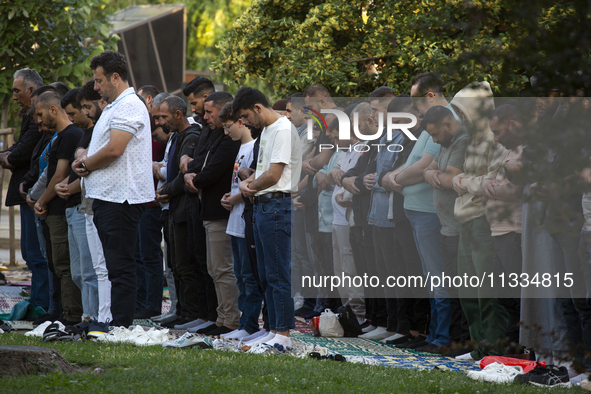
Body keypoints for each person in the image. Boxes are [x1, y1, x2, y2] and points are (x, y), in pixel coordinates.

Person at [73, 50, 153, 329]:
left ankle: (120, 325)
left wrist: (85, 165)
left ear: (115, 77)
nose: (95, 87)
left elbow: (115, 149)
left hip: (121, 198)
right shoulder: (116, 105)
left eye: (99, 81)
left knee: (120, 267)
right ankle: (115, 323)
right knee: (114, 266)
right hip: (109, 196)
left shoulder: (129, 105)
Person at [236, 87, 302, 347]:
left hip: (276, 206)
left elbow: (274, 175)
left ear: (257, 107)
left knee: (277, 274)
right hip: (263, 206)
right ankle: (273, 329)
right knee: (265, 274)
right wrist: (249, 183)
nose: (244, 123)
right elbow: (261, 172)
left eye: (245, 116)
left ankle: (282, 335)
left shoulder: (283, 129)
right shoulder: (267, 131)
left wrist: (249, 186)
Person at [449, 82, 508, 361]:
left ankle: (495, 348)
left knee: (487, 290)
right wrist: (465, 182)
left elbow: (491, 182)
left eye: (463, 112)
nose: (460, 118)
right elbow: (462, 179)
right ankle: (479, 347)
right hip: (464, 219)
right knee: (467, 288)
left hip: (483, 222)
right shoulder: (470, 138)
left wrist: (463, 182)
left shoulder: (495, 139)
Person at [183, 92, 241, 336]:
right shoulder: (214, 134)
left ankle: (231, 321)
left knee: (222, 268)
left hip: (220, 211)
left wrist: (194, 177)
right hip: (208, 210)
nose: (204, 117)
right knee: (214, 268)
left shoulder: (229, 139)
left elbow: (210, 171)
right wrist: (190, 173)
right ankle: (221, 317)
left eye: (209, 112)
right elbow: (197, 164)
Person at [33, 91, 84, 325]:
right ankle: (60, 312)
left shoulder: (70, 135)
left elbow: (59, 175)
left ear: (54, 110)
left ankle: (70, 316)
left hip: (60, 210)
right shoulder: (60, 136)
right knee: (56, 264)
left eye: (40, 114)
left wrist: (41, 201)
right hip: (53, 210)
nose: (38, 120)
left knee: (64, 266)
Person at [2, 68, 48, 312]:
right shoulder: (28, 117)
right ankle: (39, 302)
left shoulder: (38, 122)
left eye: (17, 90)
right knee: (31, 253)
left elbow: (21, 154)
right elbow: (19, 151)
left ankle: (42, 305)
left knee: (36, 253)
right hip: (28, 193)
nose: (15, 95)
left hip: (35, 194)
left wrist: (11, 157)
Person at [156, 96, 202, 328]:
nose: (161, 121)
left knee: (186, 265)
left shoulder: (191, 136)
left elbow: (185, 177)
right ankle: (182, 310)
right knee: (175, 265)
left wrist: (166, 189)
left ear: (178, 114)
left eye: (164, 116)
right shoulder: (176, 136)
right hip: (174, 209)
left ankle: (191, 313)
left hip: (185, 210)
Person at [218, 103, 262, 340]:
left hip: (247, 219)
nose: (226, 132)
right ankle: (245, 323)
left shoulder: (254, 146)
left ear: (241, 122)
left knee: (248, 275)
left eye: (228, 127)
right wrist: (232, 197)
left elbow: (253, 183)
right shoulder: (241, 147)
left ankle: (250, 324)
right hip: (235, 219)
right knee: (240, 274)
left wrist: (235, 197)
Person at [57, 88, 99, 325]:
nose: (77, 115)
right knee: (77, 271)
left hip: (86, 206)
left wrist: (67, 187)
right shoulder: (86, 133)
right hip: (75, 207)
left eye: (82, 109)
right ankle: (85, 314)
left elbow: (87, 171)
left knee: (89, 270)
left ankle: (90, 317)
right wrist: (63, 185)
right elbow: (76, 169)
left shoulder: (91, 131)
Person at [75, 81, 112, 326]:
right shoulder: (92, 128)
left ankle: (105, 316)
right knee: (96, 265)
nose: (86, 112)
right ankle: (97, 315)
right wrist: (82, 155)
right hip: (88, 202)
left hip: (103, 200)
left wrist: (85, 160)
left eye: (88, 106)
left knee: (104, 266)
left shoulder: (107, 123)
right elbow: (81, 155)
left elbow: (94, 158)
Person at [133, 85, 166, 320]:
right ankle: (140, 301)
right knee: (138, 256)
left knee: (150, 256)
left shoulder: (159, 132)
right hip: (137, 202)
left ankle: (152, 304)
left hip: (153, 203)